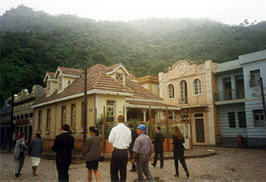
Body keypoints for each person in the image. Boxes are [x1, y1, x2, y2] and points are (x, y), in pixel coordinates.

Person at [108, 115, 131, 182]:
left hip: (116, 151)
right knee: (123, 171)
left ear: (117, 120)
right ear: (124, 120)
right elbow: (129, 141)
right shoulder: (128, 130)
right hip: (124, 152)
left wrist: (116, 143)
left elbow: (110, 140)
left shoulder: (114, 129)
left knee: (113, 171)